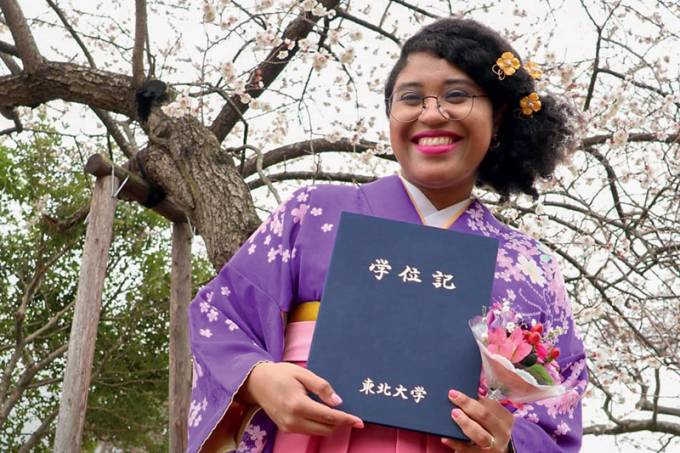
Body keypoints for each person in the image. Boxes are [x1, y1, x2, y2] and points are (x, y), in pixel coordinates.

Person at [187, 17, 588, 453]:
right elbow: (218, 316)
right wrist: (259, 379)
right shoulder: (311, 213)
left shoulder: (532, 268)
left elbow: (560, 401)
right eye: (411, 98)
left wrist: (508, 440)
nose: (431, 114)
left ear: (500, 116)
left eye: (457, 95)